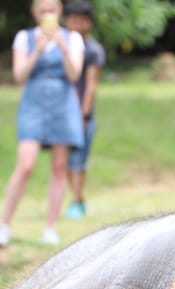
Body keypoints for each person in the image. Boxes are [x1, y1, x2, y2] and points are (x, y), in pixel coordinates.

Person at [1, 0, 84, 247]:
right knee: (26, 164)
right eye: (42, 11)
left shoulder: (72, 38)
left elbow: (74, 74)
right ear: (35, 13)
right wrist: (37, 50)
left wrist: (60, 42)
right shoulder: (24, 38)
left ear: (59, 11)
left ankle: (50, 227)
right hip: (33, 105)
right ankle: (4, 223)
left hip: (63, 105)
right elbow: (19, 76)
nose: (47, 14)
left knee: (60, 167)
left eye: (52, 10)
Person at [62, 0, 104, 220]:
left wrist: (84, 114)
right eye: (73, 20)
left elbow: (91, 85)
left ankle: (77, 200)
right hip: (61, 111)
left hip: (80, 112)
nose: (77, 25)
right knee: (64, 159)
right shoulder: (60, 44)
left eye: (81, 20)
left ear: (88, 22)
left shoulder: (94, 50)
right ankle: (76, 197)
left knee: (78, 159)